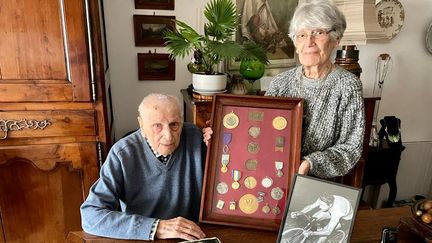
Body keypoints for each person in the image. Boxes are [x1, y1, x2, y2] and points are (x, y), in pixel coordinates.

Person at [203, 0, 365, 179]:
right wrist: (223, 135)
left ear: (336, 40)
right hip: (270, 177)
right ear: (295, 42)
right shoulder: (280, 83)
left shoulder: (348, 85)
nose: (309, 42)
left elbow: (351, 148)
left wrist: (310, 164)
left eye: (318, 32)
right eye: (301, 35)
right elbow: (258, 132)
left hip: (316, 185)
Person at [80, 93, 206, 241]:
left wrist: (219, 143)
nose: (168, 136)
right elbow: (90, 216)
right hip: (143, 238)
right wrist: (155, 227)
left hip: (193, 236)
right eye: (157, 126)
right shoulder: (122, 153)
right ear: (141, 125)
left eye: (174, 125)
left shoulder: (197, 138)